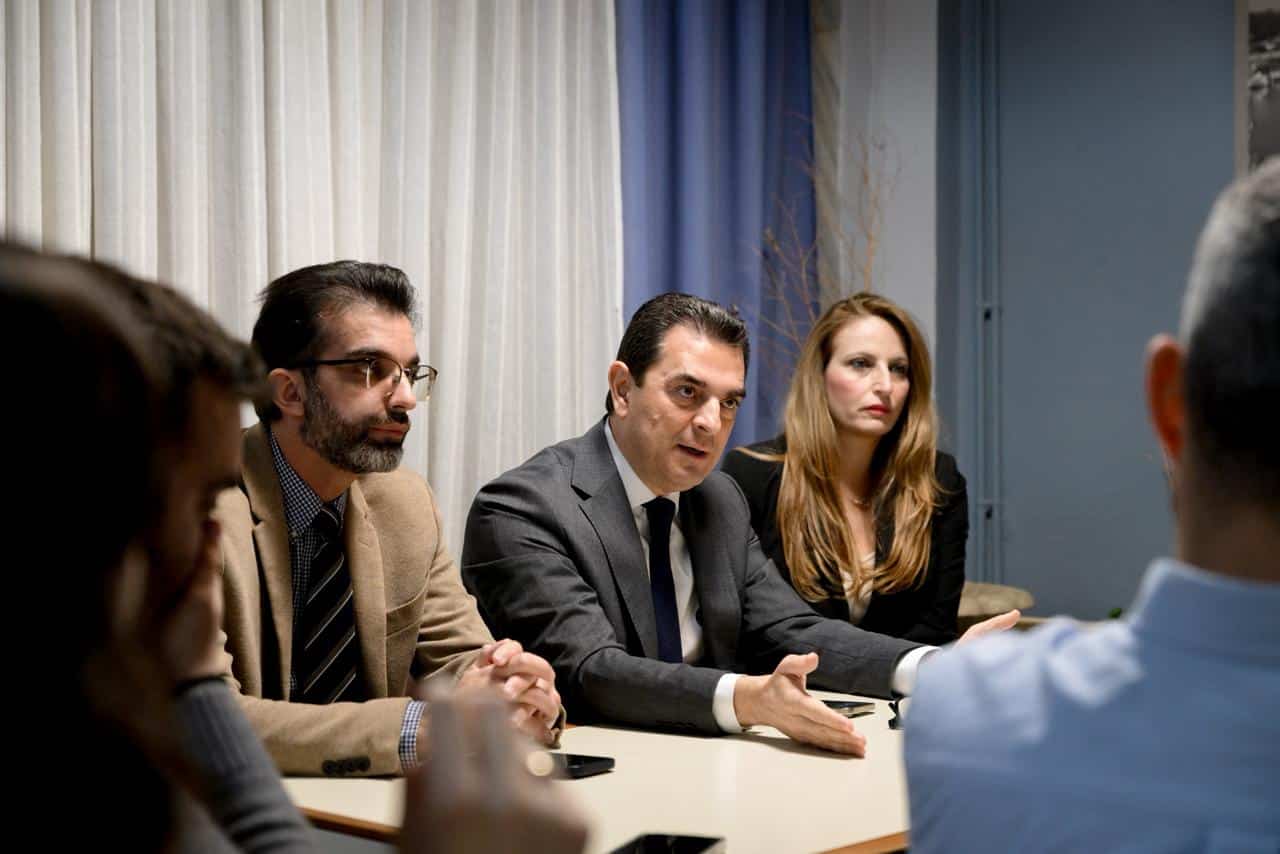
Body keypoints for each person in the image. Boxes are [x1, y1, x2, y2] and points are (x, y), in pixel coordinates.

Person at [904, 164, 1280, 849]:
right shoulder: (756, 483)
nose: (884, 386)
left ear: (1169, 405)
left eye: (899, 369)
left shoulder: (966, 717)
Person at [462, 293, 1016, 756]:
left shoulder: (718, 498)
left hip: (715, 763)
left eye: (729, 403)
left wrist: (930, 667)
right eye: (687, 392)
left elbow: (792, 628)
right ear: (623, 389)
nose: (710, 422)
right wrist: (750, 699)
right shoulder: (523, 506)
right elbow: (591, 671)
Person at [216, 260, 561, 776]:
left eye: (409, 373)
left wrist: (515, 692)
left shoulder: (405, 503)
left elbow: (463, 657)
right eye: (369, 369)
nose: (405, 399)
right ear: (289, 392)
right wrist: (428, 727)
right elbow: (206, 720)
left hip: (366, 811)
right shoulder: (186, 509)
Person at [721, 293, 966, 644]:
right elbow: (747, 626)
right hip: (787, 677)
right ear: (819, 375)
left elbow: (937, 628)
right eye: (861, 364)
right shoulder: (752, 475)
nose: (885, 386)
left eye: (898, 369)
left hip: (907, 678)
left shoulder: (938, 479)